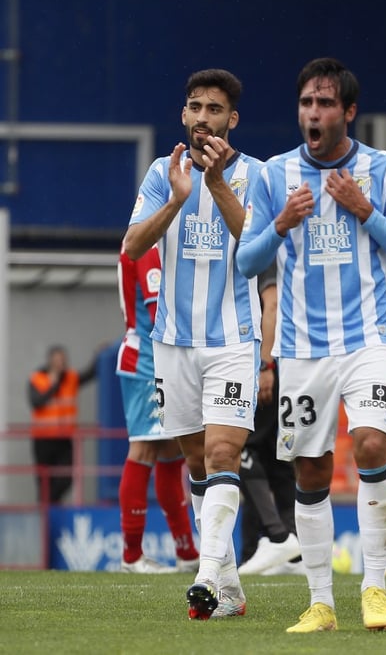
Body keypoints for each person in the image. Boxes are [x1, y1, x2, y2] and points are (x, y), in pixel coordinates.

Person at [236, 57, 386, 632]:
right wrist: (280, 225)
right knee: (312, 471)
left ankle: (374, 588)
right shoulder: (274, 176)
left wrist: (365, 210)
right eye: (305, 103)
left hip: (368, 336)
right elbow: (245, 262)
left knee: (371, 444)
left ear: (348, 112)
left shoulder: (385, 170)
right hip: (300, 348)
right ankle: (321, 602)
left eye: (324, 103)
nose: (312, 113)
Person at [122, 68, 260, 620]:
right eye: (195, 107)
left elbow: (260, 248)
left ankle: (205, 575)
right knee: (198, 464)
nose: (204, 117)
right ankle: (229, 588)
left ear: (233, 120)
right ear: (184, 115)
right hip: (172, 345)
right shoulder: (162, 173)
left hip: (232, 339)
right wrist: (178, 198)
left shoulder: (257, 174)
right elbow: (132, 245)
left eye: (215, 109)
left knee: (225, 453)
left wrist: (215, 183)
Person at [115, 247, 200, 573]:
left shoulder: (150, 243)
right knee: (144, 449)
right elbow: (158, 314)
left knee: (170, 453)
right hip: (148, 362)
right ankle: (132, 555)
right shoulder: (149, 247)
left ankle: (186, 551)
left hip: (154, 359)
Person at [238, 263, 303, 576]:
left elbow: (273, 303)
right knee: (275, 460)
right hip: (293, 364)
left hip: (269, 366)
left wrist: (264, 364)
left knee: (241, 449)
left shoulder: (269, 251)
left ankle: (278, 537)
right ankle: (286, 550)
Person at [29, 346, 98, 504]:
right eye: (58, 360)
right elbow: (36, 402)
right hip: (43, 440)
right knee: (44, 482)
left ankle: (50, 504)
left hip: (64, 439)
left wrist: (98, 357)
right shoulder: (37, 378)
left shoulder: (70, 378)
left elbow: (89, 374)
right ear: (50, 361)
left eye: (63, 360)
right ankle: (46, 510)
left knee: (66, 478)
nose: (61, 363)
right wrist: (53, 386)